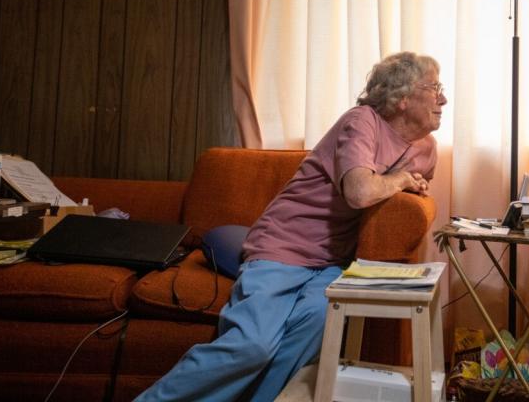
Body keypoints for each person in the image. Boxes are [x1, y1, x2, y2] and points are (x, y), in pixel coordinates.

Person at [136, 52, 446, 402]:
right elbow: (360, 193)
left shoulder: (427, 149)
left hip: (333, 263)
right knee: (252, 346)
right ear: (402, 97)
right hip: (283, 247)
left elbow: (402, 193)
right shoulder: (362, 121)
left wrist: (405, 185)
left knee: (307, 335)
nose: (443, 98)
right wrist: (401, 178)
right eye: (434, 88)